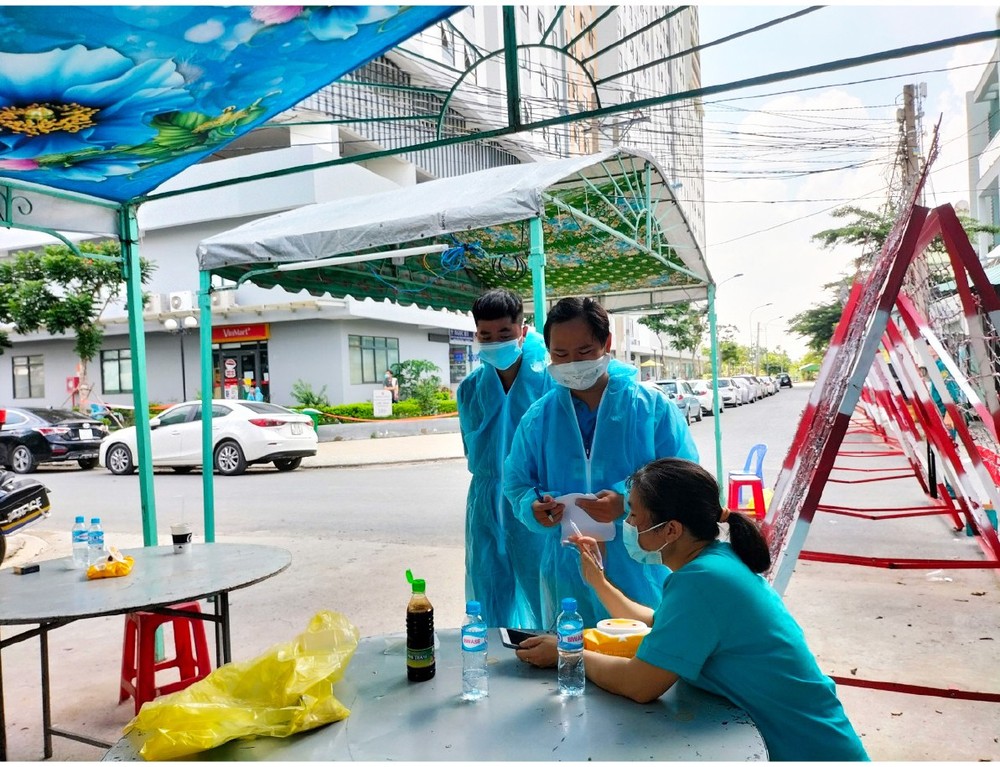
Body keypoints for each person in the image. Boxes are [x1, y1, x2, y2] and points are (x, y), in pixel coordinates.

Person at [515, 458, 869, 762]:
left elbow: (640, 684)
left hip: (803, 749)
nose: (629, 525)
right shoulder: (715, 562)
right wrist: (599, 581)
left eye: (635, 515)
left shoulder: (702, 581)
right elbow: (663, 623)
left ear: (671, 529)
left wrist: (567, 652)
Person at [503, 296, 698, 629]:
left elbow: (685, 479)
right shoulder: (539, 418)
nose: (572, 363)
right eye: (560, 355)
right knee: (574, 658)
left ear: (607, 344)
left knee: (640, 659)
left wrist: (628, 501)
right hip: (567, 569)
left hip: (639, 566)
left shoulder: (650, 408)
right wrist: (533, 506)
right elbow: (517, 481)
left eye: (583, 352)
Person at [456, 288, 551, 628]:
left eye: (504, 334)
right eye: (486, 335)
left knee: (545, 592)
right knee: (487, 593)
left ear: (522, 331)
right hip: (485, 503)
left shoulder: (548, 383)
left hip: (536, 501)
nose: (495, 341)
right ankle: (493, 664)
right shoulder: (469, 389)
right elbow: (472, 452)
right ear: (476, 334)